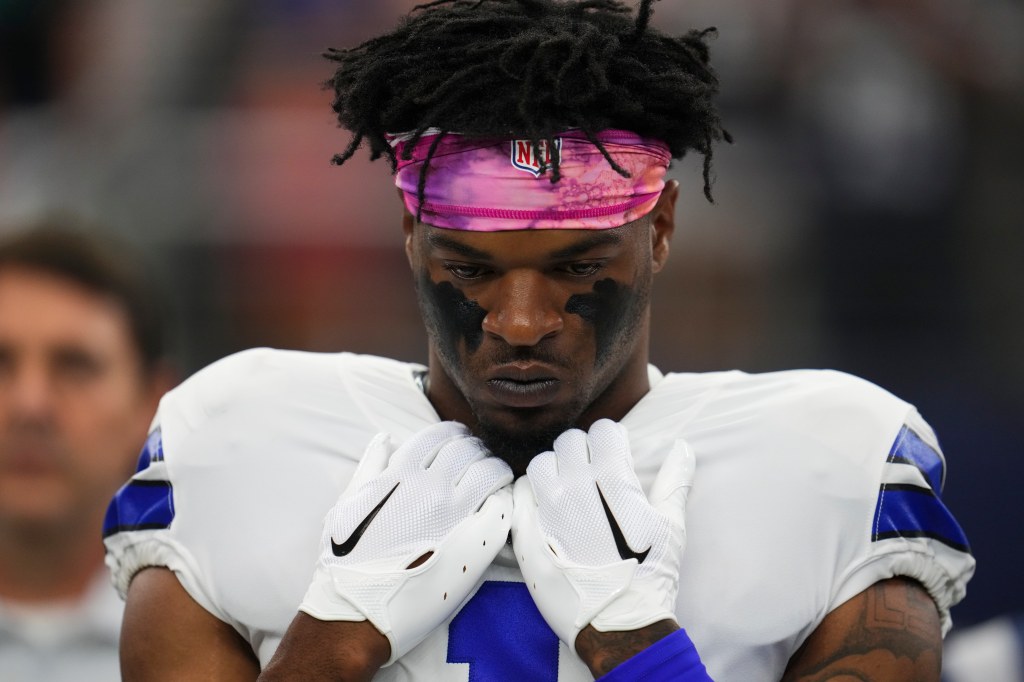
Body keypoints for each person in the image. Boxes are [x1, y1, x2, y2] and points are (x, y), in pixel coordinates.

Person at [103, 1, 975, 680]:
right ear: (410, 231)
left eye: (578, 266)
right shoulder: (237, 436)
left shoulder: (836, 462)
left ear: (662, 227)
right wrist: (333, 640)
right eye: (471, 268)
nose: (521, 322)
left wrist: (636, 648)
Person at [0, 223, 175, 680]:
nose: (30, 405)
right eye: (0, 363)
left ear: (153, 406)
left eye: (75, 365)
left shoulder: (221, 651)